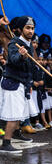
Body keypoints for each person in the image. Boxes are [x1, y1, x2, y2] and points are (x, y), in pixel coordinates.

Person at [0, 16, 37, 153]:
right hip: (12, 83)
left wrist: (30, 84)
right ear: (21, 29)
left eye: (32, 28)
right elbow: (13, 60)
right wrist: (22, 56)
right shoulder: (14, 43)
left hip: (23, 83)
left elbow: (30, 67)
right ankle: (6, 143)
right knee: (13, 114)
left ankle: (16, 133)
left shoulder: (29, 45)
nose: (30, 31)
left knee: (20, 113)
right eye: (27, 28)